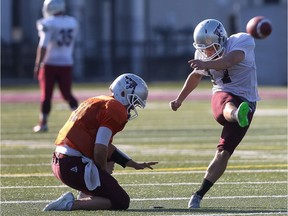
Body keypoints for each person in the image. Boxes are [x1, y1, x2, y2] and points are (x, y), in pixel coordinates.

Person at [170, 19, 260, 208]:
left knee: (223, 153)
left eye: (211, 47)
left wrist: (205, 63)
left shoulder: (241, 41)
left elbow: (229, 60)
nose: (207, 52)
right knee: (226, 101)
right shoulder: (202, 55)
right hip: (222, 95)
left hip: (247, 101)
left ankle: (198, 195)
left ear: (221, 39)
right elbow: (195, 76)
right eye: (203, 48)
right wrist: (179, 99)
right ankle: (236, 115)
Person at [43, 73, 158, 211]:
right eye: (133, 101)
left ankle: (85, 195)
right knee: (120, 201)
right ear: (122, 93)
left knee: (109, 159)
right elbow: (100, 148)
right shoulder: (115, 108)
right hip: (71, 164)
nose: (133, 107)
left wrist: (132, 163)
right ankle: (70, 204)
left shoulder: (100, 100)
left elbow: (106, 147)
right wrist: (102, 173)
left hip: (61, 161)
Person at [33, 0, 79, 132]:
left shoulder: (48, 23)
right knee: (67, 94)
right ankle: (80, 119)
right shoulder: (72, 21)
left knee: (46, 95)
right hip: (66, 62)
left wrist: (38, 64)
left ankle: (43, 123)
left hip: (50, 63)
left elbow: (43, 45)